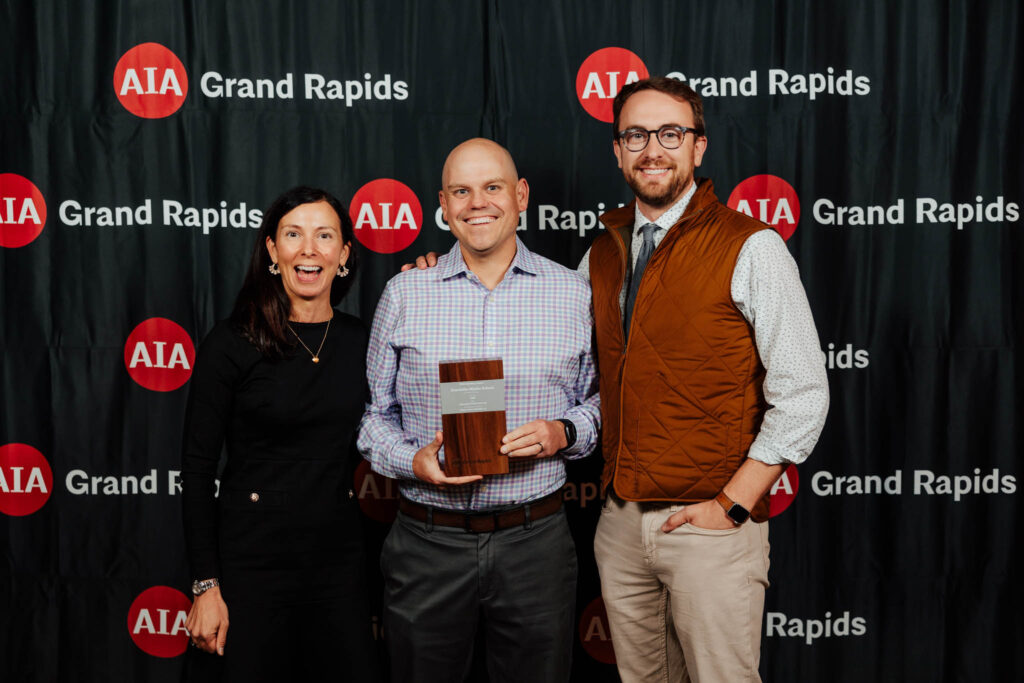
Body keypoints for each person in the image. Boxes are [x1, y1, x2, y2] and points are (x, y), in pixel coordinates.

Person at [581, 77, 830, 682]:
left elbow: (803, 392)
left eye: (671, 133)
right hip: (619, 524)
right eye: (636, 135)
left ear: (699, 147)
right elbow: (537, 328)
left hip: (711, 524)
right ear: (617, 151)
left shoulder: (753, 247)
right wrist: (442, 268)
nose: (652, 150)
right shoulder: (601, 252)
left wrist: (734, 504)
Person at [357, 138, 600, 683]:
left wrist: (565, 431)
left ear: (521, 196)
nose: (477, 203)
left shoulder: (573, 294)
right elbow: (375, 419)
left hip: (535, 541)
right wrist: (410, 460)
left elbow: (602, 402)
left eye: (492, 188)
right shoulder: (404, 293)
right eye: (461, 192)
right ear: (442, 205)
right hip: (427, 542)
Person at [180, 186, 379, 682]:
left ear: (344, 254)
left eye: (324, 236)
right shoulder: (231, 343)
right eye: (293, 234)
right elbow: (197, 471)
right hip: (252, 570)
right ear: (272, 250)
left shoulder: (361, 340)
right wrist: (206, 586)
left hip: (338, 568)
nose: (309, 249)